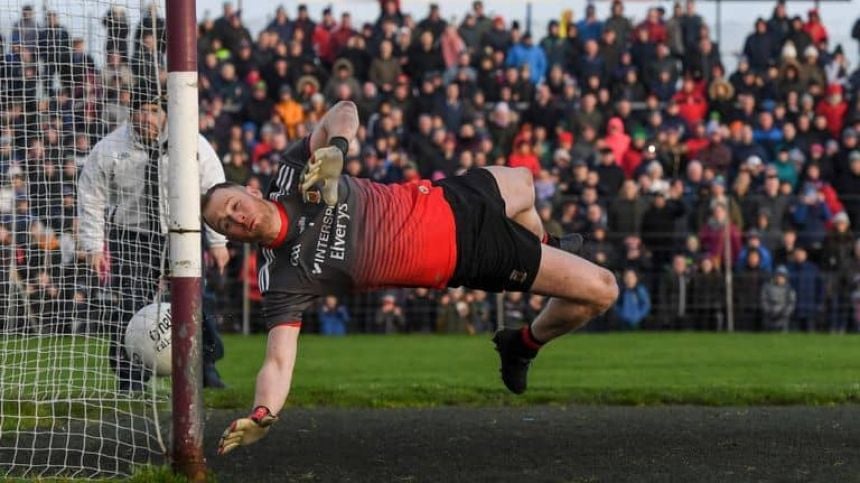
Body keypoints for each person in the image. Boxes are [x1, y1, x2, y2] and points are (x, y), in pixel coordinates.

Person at [208, 101, 615, 455]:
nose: (236, 217)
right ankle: (522, 344)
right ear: (231, 238)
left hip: (445, 196)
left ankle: (548, 245)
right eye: (226, 224)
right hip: (469, 252)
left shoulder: (293, 174)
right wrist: (263, 414)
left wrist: (337, 149)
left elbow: (345, 110)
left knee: (523, 182)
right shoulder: (281, 277)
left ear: (251, 191)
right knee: (602, 290)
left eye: (233, 204)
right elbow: (278, 361)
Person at [77, 82, 229, 392]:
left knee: (197, 300)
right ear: (131, 113)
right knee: (131, 306)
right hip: (131, 235)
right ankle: (129, 377)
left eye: (154, 111)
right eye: (141, 110)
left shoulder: (192, 143)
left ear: (166, 114)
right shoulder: (110, 148)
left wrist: (217, 242)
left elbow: (214, 192)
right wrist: (94, 246)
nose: (147, 117)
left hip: (182, 232)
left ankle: (206, 367)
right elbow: (90, 197)